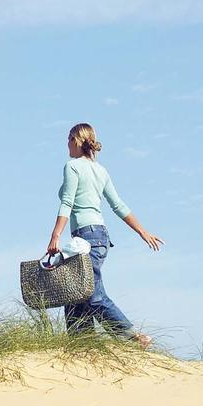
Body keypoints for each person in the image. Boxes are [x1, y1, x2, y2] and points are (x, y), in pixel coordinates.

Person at [45, 123, 163, 348]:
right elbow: (118, 205)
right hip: (96, 237)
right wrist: (142, 231)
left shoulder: (72, 167)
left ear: (77, 140)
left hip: (86, 237)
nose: (66, 144)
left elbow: (67, 203)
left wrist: (55, 236)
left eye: (69, 139)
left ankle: (133, 337)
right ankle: (82, 346)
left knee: (91, 293)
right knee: (74, 293)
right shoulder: (101, 170)